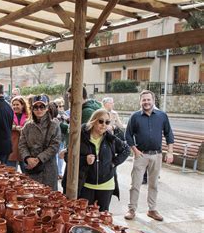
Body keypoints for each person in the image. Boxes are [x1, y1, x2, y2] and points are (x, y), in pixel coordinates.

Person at [63, 109, 130, 211]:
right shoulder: (81, 138)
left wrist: (114, 163)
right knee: (84, 217)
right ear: (94, 121)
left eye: (107, 122)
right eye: (101, 121)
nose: (104, 125)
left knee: (102, 218)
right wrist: (84, 160)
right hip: (86, 184)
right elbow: (68, 157)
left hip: (106, 185)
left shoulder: (110, 139)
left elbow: (126, 149)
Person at [124, 90, 174, 221]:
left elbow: (169, 134)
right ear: (140, 102)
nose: (146, 102)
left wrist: (170, 151)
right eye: (144, 100)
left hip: (157, 155)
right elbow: (127, 135)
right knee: (135, 184)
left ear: (153, 101)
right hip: (141, 155)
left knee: (153, 184)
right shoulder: (135, 117)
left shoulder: (162, 116)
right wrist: (135, 150)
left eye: (148, 100)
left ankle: (152, 210)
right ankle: (132, 209)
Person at [19, 100, 61, 190]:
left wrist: (39, 159)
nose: (39, 110)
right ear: (32, 109)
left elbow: (55, 146)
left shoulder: (54, 125)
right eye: (36, 107)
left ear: (46, 109)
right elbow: (22, 144)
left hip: (48, 168)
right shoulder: (27, 126)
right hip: (32, 169)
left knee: (49, 198)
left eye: (42, 107)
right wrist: (27, 158)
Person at [7, 96, 30, 172]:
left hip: (25, 146)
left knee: (26, 172)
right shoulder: (9, 115)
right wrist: (15, 127)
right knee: (11, 171)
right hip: (12, 145)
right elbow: (4, 125)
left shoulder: (29, 116)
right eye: (13, 105)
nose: (15, 107)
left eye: (17, 104)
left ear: (22, 105)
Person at [54, 97, 67, 179]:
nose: (60, 107)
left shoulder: (65, 115)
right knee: (55, 156)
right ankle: (56, 172)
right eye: (58, 106)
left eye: (62, 106)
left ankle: (59, 172)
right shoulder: (54, 115)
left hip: (62, 138)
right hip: (55, 138)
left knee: (60, 156)